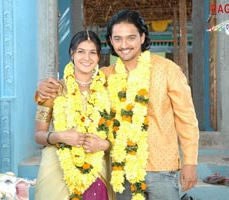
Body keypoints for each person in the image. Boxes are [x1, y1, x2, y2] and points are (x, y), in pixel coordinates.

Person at [36, 9, 199, 200]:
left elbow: (186, 119)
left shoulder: (167, 70)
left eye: (130, 38)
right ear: (111, 42)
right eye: (118, 39)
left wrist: (190, 163)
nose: (124, 45)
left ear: (142, 37)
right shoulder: (105, 76)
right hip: (121, 169)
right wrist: (42, 88)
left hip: (161, 167)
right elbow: (78, 84)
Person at [34, 30, 115, 200]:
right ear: (72, 54)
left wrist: (105, 145)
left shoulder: (108, 90)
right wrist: (60, 136)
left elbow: (118, 134)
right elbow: (38, 135)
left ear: (99, 57)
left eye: (92, 52)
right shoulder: (53, 89)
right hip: (57, 168)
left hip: (96, 167)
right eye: (81, 51)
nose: (87, 57)